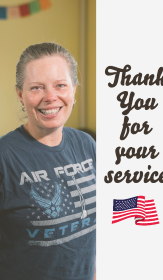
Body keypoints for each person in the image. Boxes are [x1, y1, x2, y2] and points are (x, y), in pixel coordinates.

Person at [0, 43, 96, 280]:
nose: (50, 97)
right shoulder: (5, 156)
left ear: (74, 89)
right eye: (36, 88)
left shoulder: (86, 144)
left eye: (60, 85)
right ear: (21, 95)